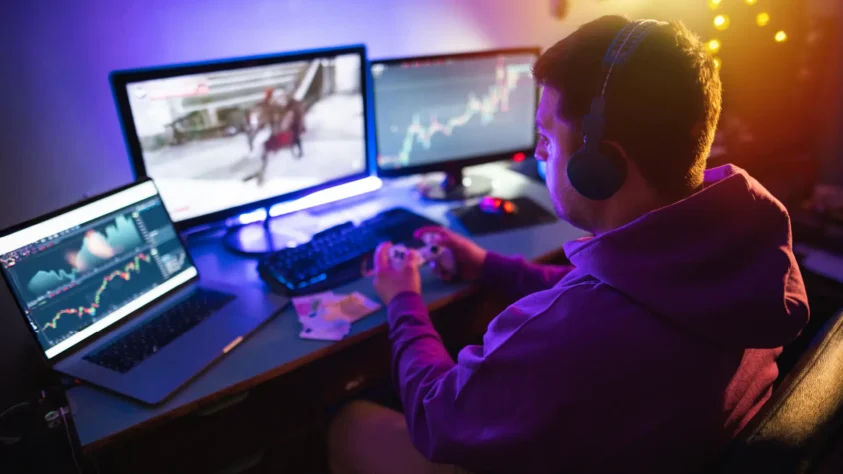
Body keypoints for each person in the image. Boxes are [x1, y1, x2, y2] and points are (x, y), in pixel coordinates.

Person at [327, 15, 809, 474]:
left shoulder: (575, 333)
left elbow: (437, 417)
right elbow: (631, 289)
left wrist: (403, 299)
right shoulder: (749, 245)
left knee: (347, 424)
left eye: (546, 137)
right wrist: (489, 266)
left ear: (600, 164)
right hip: (671, 443)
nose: (537, 153)